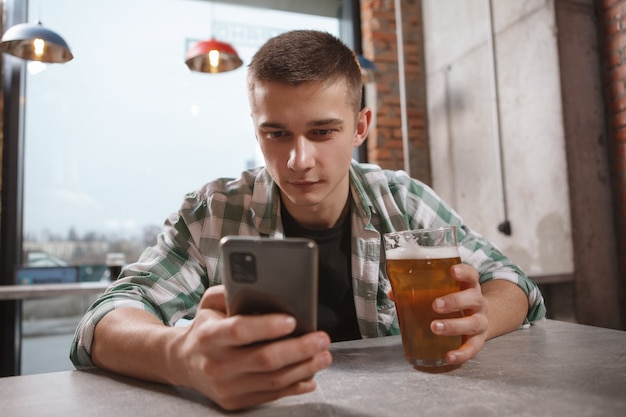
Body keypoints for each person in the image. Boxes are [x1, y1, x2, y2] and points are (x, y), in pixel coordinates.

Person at [70, 30, 546, 411]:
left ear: (361, 127)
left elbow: (514, 284)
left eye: (322, 132)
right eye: (277, 133)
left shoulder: (401, 199)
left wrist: (483, 316)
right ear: (255, 128)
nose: (298, 159)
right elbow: (101, 322)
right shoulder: (213, 211)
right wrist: (180, 357)